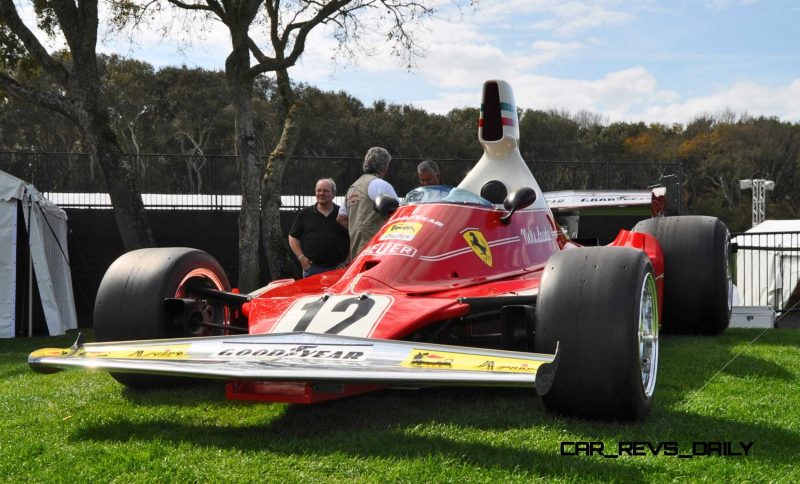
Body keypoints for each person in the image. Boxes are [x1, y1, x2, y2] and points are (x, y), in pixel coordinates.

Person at [337, 147, 398, 260]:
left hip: (356, 253)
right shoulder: (381, 185)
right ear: (385, 167)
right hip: (377, 252)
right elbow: (400, 216)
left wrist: (358, 228)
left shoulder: (352, 187)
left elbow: (341, 218)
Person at [288, 178, 349, 277]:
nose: (321, 193)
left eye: (325, 191)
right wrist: (301, 258)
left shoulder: (342, 215)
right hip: (312, 269)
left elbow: (353, 236)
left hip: (338, 269)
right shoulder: (305, 214)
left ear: (333, 194)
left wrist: (348, 260)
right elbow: (292, 237)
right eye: (319, 190)